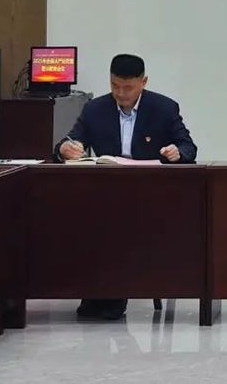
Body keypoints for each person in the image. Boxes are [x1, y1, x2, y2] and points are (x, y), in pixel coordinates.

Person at [54, 53, 197, 321]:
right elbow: (68, 141)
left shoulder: (164, 108)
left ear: (144, 82)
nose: (121, 93)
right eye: (115, 86)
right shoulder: (95, 109)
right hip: (106, 191)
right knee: (85, 219)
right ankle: (98, 291)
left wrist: (177, 152)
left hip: (150, 194)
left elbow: (188, 147)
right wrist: (65, 148)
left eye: (128, 87)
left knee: (117, 222)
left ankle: (109, 296)